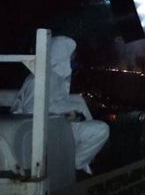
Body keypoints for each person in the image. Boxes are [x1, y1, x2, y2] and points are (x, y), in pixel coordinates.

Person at [11, 35, 109, 176]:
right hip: (47, 132)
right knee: (100, 127)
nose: (74, 57)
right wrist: (67, 111)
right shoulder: (41, 78)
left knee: (91, 118)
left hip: (64, 126)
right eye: (71, 54)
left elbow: (57, 102)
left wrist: (72, 110)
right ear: (62, 53)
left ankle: (83, 159)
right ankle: (78, 163)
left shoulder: (56, 77)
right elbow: (30, 110)